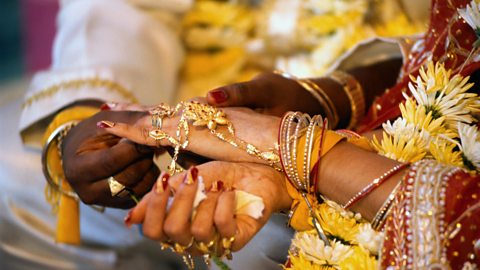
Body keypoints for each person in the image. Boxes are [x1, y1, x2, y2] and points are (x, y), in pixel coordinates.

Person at [87, 0, 480, 268]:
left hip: (431, 162)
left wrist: (294, 149)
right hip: (388, 103)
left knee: (262, 240)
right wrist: (330, 97)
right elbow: (451, 47)